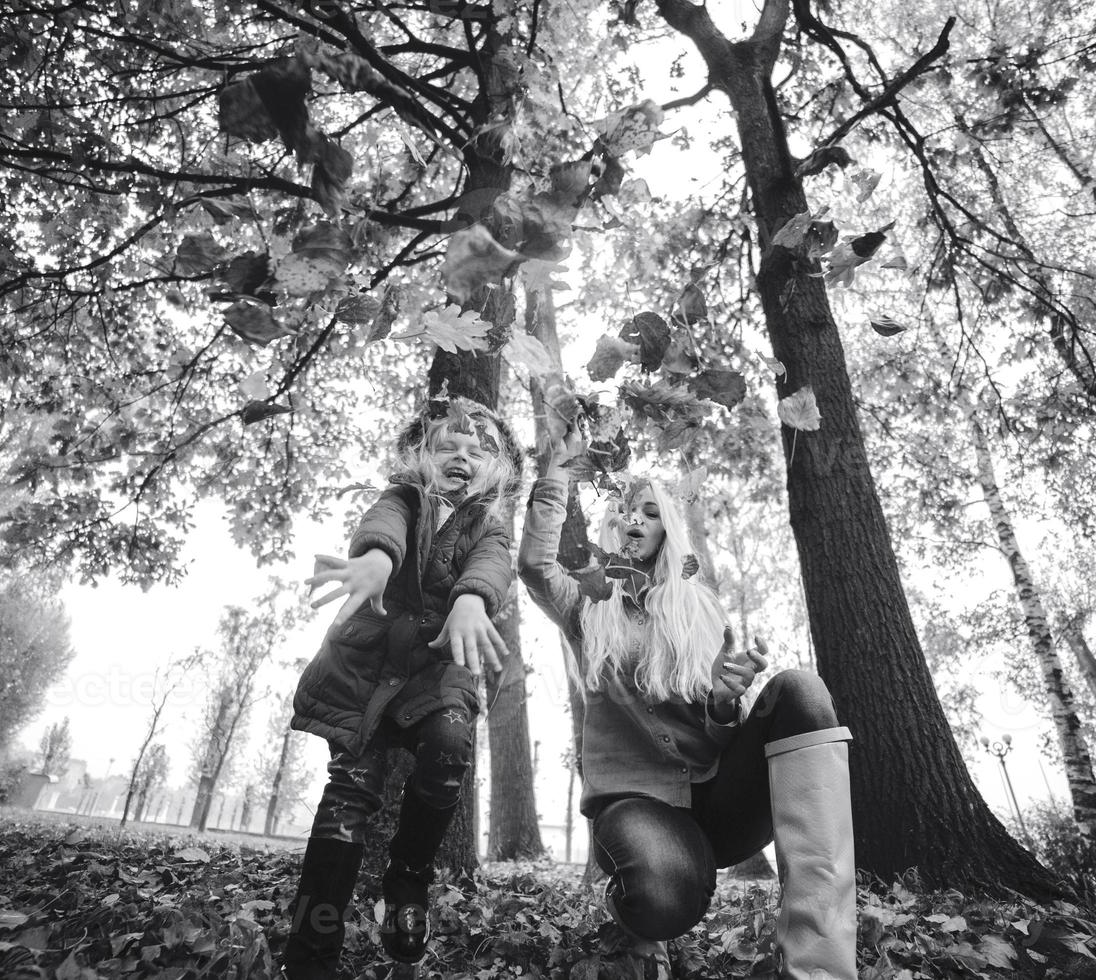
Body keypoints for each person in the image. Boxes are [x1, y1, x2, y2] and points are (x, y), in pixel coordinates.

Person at [517, 432, 857, 980]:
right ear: (610, 525)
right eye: (624, 511)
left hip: (716, 799)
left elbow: (720, 729)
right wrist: (557, 476)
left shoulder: (701, 612)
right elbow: (534, 567)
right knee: (661, 897)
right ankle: (641, 917)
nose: (636, 520)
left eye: (650, 513)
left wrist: (725, 704)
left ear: (665, 531)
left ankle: (821, 965)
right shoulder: (588, 603)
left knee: (802, 691)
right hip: (636, 805)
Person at [283, 396, 523, 980]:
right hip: (366, 673)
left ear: (492, 470)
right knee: (347, 801)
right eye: (448, 447)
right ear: (422, 456)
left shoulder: (487, 525)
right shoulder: (402, 499)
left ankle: (408, 876)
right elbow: (382, 529)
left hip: (438, 675)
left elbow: (490, 566)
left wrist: (470, 600)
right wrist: (374, 563)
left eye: (475, 451)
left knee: (449, 748)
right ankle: (311, 958)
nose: (460, 456)